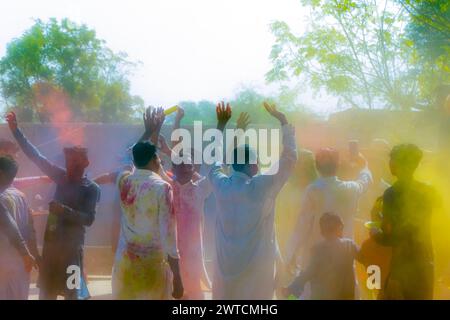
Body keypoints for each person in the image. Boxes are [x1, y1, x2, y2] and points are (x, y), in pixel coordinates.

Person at [6, 112, 100, 300]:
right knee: (46, 294)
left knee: (73, 295)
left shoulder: (92, 188)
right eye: (67, 161)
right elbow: (36, 157)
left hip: (72, 252)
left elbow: (88, 219)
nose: (69, 164)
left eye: (74, 161)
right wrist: (16, 131)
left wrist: (64, 211)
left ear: (86, 163)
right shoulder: (61, 176)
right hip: (51, 251)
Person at [209, 102, 297, 300]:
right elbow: (290, 158)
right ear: (253, 165)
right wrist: (283, 121)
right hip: (257, 279)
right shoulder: (261, 186)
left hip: (226, 277)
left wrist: (221, 126)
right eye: (256, 162)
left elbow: (213, 160)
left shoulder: (221, 184)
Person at [112, 107, 183, 300]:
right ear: (154, 160)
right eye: (159, 158)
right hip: (151, 270)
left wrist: (149, 131)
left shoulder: (123, 180)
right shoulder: (162, 188)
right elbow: (169, 236)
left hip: (125, 266)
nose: (161, 161)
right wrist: (177, 276)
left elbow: (129, 157)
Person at [287, 147, 371, 274]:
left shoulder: (313, 190)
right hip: (342, 258)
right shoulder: (350, 189)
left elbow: (302, 226)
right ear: (338, 165)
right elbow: (365, 181)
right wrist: (364, 166)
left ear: (317, 166)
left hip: (316, 258)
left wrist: (291, 253)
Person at [372, 144, 438, 300]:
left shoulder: (391, 193)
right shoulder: (428, 191)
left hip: (403, 268)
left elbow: (392, 236)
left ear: (399, 163)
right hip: (426, 263)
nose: (389, 163)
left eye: (392, 159)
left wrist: (375, 230)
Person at [283, 212, 360, 300]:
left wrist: (291, 289)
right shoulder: (349, 246)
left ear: (322, 232)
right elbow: (365, 257)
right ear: (340, 228)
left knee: (293, 298)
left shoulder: (318, 250)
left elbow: (307, 273)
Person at [0, 155, 38, 299]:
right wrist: (32, 254)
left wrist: (25, 253)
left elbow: (10, 226)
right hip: (21, 264)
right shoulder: (21, 196)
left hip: (4, 263)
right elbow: (31, 228)